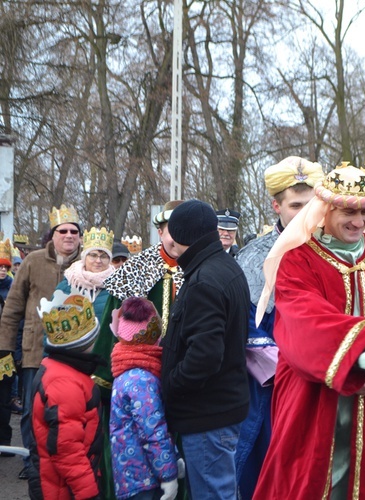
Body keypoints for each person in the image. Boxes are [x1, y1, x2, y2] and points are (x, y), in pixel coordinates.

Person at [253, 162, 365, 499]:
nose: (359, 221)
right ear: (326, 209)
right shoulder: (298, 259)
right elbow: (304, 324)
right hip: (310, 404)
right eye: (348, 211)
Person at [234, 156, 324, 499]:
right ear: (277, 206)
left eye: (310, 205)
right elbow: (246, 325)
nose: (304, 213)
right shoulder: (252, 256)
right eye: (296, 205)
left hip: (324, 376)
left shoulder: (335, 250)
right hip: (272, 384)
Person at [90, 200, 185, 498]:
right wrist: (104, 383)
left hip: (185, 383)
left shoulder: (201, 267)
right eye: (173, 230)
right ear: (160, 231)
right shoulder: (136, 269)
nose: (179, 237)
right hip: (140, 383)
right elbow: (112, 325)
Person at [161, 200, 250, 500]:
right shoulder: (223, 267)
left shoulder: (204, 280)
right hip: (221, 408)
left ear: (179, 237)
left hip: (208, 414)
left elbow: (205, 356)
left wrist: (171, 384)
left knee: (215, 494)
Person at [0, 204, 82, 481]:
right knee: (31, 409)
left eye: (74, 231)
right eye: (63, 231)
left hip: (76, 352)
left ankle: (65, 462)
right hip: (36, 350)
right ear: (53, 234)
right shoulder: (33, 261)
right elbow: (13, 307)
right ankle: (34, 462)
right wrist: (5, 347)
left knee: (70, 409)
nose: (69, 235)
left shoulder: (88, 263)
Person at [29, 290, 104, 499]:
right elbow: (67, 450)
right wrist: (88, 492)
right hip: (63, 488)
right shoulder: (66, 384)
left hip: (60, 482)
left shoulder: (58, 368)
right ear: (85, 344)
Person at [109, 297, 180, 500]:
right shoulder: (142, 380)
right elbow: (153, 432)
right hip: (144, 478)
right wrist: (168, 474)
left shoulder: (125, 372)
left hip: (130, 474)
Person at [55, 227, 115, 321]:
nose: (98, 261)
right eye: (93, 255)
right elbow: (52, 321)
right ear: (84, 257)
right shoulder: (68, 284)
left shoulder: (117, 287)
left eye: (104, 256)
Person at [0, 239, 15, 457]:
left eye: (5, 267)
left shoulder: (12, 290)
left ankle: (4, 442)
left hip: (5, 354)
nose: (2, 270)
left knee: (3, 401)